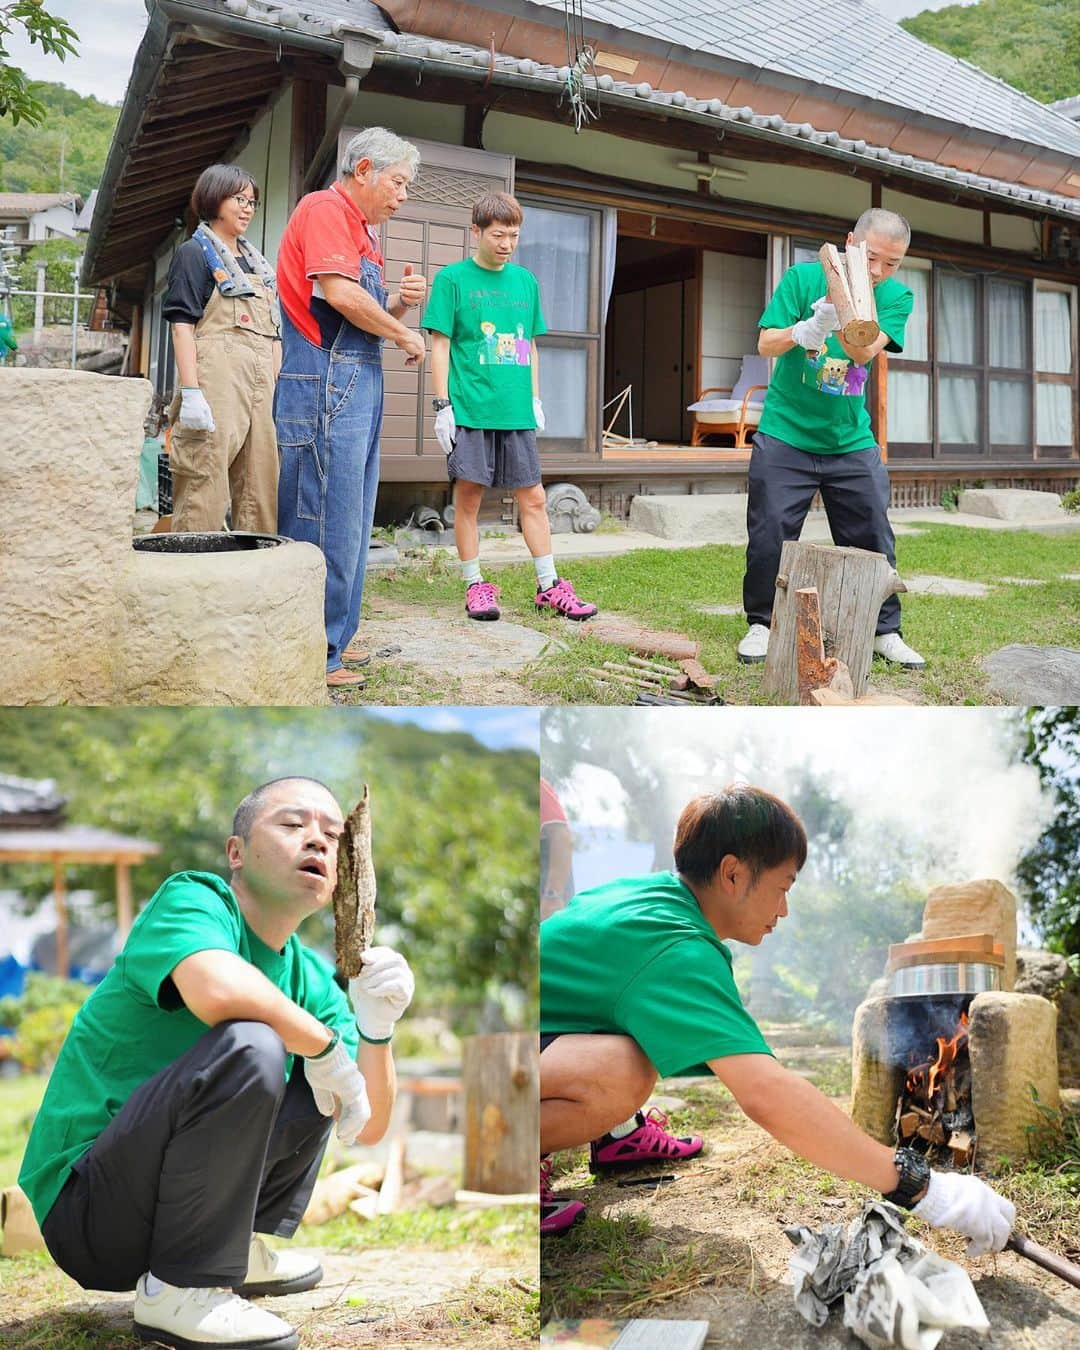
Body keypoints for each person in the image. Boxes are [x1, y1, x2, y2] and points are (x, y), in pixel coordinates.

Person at [19, 777, 415, 1350]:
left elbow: (368, 1120)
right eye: (292, 824)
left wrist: (377, 1028)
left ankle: (230, 1248)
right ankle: (183, 1288)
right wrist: (325, 1046)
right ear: (236, 853)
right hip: (89, 1212)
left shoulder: (306, 976)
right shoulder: (195, 900)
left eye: (333, 836)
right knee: (256, 1041)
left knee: (311, 1073)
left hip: (168, 1207)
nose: (318, 842)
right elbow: (218, 992)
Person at [540, 785, 1015, 1253]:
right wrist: (924, 1188)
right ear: (732, 874)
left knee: (626, 1042)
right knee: (623, 1071)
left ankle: (617, 1132)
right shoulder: (676, 949)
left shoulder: (651, 899)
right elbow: (766, 1093)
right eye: (782, 887)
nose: (784, 909)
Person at [738, 208, 925, 670]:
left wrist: (842, 308)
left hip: (849, 440)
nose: (881, 272)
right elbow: (765, 343)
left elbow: (863, 350)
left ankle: (885, 630)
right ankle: (762, 623)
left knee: (873, 536)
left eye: (893, 263)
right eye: (874, 259)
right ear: (850, 244)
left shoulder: (897, 297)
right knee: (769, 536)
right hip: (785, 433)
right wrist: (804, 328)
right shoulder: (802, 279)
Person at [274, 128, 428, 690]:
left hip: (355, 377)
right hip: (322, 378)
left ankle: (338, 636)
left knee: (354, 518)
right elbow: (338, 295)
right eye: (398, 182)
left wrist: (398, 305)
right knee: (322, 516)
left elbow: (360, 306)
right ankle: (313, 648)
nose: (403, 195)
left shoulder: (363, 231)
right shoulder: (324, 209)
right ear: (363, 169)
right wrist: (405, 336)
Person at [421, 192, 598, 623]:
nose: (506, 243)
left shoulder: (525, 282)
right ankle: (475, 584)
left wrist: (535, 398)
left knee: (533, 498)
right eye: (498, 234)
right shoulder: (452, 280)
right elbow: (440, 345)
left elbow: (531, 345)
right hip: (471, 408)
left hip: (516, 410)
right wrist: (442, 404)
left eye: (514, 235)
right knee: (468, 497)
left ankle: (549, 586)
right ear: (476, 232)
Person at [164, 164, 281, 534]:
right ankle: (190, 575)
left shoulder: (259, 265)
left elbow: (274, 334)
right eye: (239, 199)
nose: (247, 208)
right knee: (205, 479)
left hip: (261, 387)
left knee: (260, 485)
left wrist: (274, 383)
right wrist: (192, 391)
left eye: (252, 202)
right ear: (214, 199)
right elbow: (182, 326)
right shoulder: (194, 254)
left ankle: (253, 578)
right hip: (215, 383)